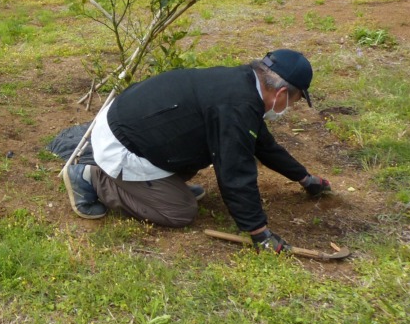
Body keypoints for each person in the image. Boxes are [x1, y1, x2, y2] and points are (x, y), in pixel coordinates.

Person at [58, 49, 332, 254]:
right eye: (295, 100)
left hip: (133, 124)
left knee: (203, 152)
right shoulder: (237, 106)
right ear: (282, 92)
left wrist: (304, 178)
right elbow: (235, 172)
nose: (291, 107)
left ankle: (157, 184)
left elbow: (263, 145)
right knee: (180, 211)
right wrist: (259, 233)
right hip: (121, 145)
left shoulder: (242, 85)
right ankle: (92, 177)